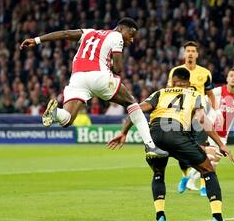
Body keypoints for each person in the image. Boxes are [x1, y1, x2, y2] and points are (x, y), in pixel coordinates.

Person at [107, 68, 234, 221]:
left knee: (158, 173)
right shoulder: (195, 95)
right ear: (189, 83)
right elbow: (203, 120)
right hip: (176, 135)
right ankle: (218, 219)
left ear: (172, 81)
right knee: (208, 170)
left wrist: (123, 132)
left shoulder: (160, 93)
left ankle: (160, 218)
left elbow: (136, 108)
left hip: (154, 135)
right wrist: (221, 144)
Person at [19, 18, 167, 157]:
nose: (132, 39)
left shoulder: (89, 32)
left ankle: (55, 112)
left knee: (67, 120)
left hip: (77, 78)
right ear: (121, 28)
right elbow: (119, 68)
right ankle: (150, 145)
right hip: (99, 76)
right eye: (131, 34)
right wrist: (112, 68)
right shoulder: (117, 37)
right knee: (132, 103)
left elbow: (65, 34)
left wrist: (37, 40)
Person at [185, 67, 234, 191]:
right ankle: (205, 187)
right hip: (210, 131)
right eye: (231, 75)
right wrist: (213, 113)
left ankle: (189, 179)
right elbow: (205, 100)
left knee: (213, 162)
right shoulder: (218, 91)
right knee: (209, 159)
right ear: (227, 78)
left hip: (224, 134)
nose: (233, 78)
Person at [167, 41, 216, 196]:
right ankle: (185, 176)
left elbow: (210, 94)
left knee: (201, 150)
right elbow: (169, 91)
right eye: (187, 50)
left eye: (193, 51)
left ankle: (203, 184)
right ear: (184, 53)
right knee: (182, 151)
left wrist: (214, 111)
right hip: (182, 116)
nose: (190, 53)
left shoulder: (205, 73)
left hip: (199, 116)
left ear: (197, 54)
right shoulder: (175, 71)